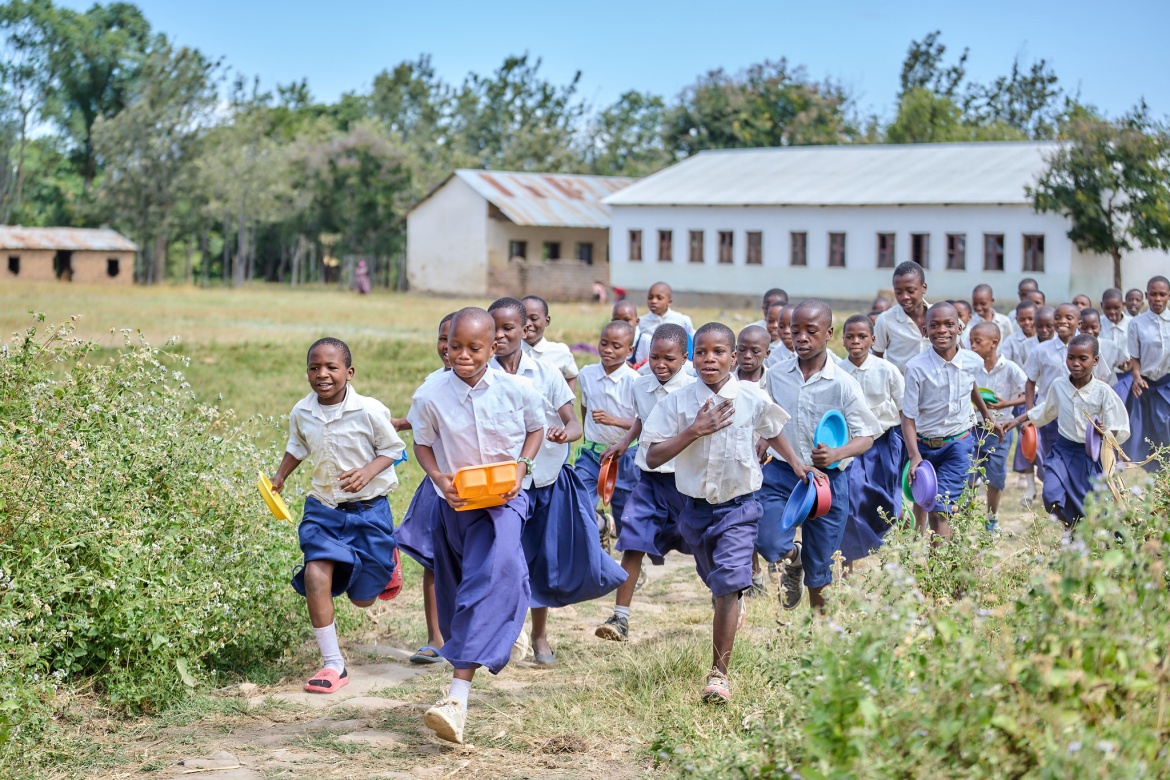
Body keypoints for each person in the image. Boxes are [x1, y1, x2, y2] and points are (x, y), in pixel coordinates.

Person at [642, 322, 808, 704]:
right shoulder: (678, 403)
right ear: (691, 357)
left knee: (728, 585)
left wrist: (797, 464)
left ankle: (718, 675)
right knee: (716, 583)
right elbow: (651, 455)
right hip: (696, 511)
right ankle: (732, 597)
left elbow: (773, 426)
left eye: (719, 352)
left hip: (741, 505)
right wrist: (694, 431)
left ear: (734, 358)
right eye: (701, 352)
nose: (709, 359)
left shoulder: (750, 396)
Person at [408, 308, 545, 745]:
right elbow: (423, 443)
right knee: (460, 589)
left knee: (487, 579)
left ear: (494, 347)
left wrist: (522, 468)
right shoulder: (430, 394)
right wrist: (437, 477)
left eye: (473, 348)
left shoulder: (518, 389)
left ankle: (456, 700)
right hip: (459, 503)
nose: (462, 356)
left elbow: (536, 429)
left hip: (505, 500)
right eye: (454, 346)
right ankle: (510, 618)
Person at [488, 298, 624, 667]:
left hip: (544, 480)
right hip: (497, 485)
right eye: (494, 328)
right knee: (506, 557)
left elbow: (574, 422)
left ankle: (539, 633)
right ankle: (507, 631)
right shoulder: (480, 373)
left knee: (542, 562)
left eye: (509, 328)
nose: (501, 335)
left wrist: (566, 433)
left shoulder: (545, 372)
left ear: (524, 330)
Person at [270, 338, 407, 694]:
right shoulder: (302, 411)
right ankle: (333, 665)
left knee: (363, 598)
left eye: (331, 367)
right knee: (316, 573)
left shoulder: (370, 410)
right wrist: (281, 475)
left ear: (349, 372)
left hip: (369, 510)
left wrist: (367, 471)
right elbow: (297, 446)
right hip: (323, 509)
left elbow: (393, 449)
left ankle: (387, 559)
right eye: (315, 367)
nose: (323, 374)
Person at [755, 302, 880, 608]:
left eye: (811, 331)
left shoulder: (843, 383)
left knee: (820, 563)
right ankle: (792, 558)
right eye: (794, 330)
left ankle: (818, 633)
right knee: (768, 541)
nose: (801, 338)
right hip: (784, 473)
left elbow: (867, 436)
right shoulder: (777, 375)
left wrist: (837, 452)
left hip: (827, 479)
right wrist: (763, 441)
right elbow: (770, 420)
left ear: (829, 334)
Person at [594, 325, 695, 642]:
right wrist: (625, 442)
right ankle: (620, 618)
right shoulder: (641, 386)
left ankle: (732, 596)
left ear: (684, 357)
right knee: (633, 540)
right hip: (649, 479)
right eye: (654, 357)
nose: (661, 364)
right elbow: (642, 418)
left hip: (687, 481)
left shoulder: (695, 386)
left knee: (701, 545)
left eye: (669, 358)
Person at [902, 303, 1003, 542]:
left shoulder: (972, 361)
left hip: (958, 444)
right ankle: (937, 549)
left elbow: (970, 386)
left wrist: (987, 416)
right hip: (924, 446)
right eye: (934, 325)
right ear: (925, 332)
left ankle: (940, 572)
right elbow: (908, 417)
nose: (942, 330)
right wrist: (915, 456)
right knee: (924, 500)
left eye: (948, 324)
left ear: (959, 327)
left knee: (941, 510)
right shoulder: (916, 368)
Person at [1012, 334, 1129, 526]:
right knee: (1051, 496)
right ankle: (1072, 527)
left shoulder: (1103, 391)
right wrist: (1019, 419)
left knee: (1100, 506)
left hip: (1092, 456)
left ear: (1095, 360)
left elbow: (1118, 425)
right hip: (1063, 453)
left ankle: (1093, 538)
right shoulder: (1059, 386)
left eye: (1083, 359)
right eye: (1071, 357)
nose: (1075, 363)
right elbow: (1045, 409)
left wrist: (1105, 431)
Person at [394, 314, 455, 665]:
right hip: (437, 483)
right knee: (433, 560)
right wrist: (397, 424)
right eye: (443, 339)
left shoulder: (494, 384)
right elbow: (420, 424)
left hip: (479, 486)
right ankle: (436, 637)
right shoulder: (431, 383)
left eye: (459, 341)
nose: (449, 348)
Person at [837, 314, 906, 564]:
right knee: (850, 498)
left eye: (862, 336)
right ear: (842, 340)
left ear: (873, 340)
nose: (856, 341)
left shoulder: (887, 370)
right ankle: (847, 561)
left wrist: (912, 449)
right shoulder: (837, 372)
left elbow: (903, 409)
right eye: (850, 337)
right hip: (850, 447)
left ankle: (886, 534)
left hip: (883, 444)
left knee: (884, 499)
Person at [575, 320, 641, 532]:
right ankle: (600, 529)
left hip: (625, 455)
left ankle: (628, 561)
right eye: (604, 343)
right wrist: (588, 438)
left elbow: (644, 422)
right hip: (593, 454)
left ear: (630, 350)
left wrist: (613, 420)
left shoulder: (635, 381)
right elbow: (585, 407)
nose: (608, 350)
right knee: (580, 502)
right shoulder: (587, 374)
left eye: (616, 345)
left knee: (626, 511)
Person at [967, 321, 1027, 531]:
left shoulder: (1010, 368)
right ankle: (962, 515)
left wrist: (1006, 404)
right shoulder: (971, 367)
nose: (972, 346)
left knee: (996, 477)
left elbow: (1029, 393)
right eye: (971, 341)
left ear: (993, 343)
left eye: (977, 342)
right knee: (968, 473)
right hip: (973, 429)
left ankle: (991, 518)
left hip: (1000, 430)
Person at [1025, 303, 1081, 479]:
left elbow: (1102, 379)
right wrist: (1029, 414)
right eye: (1057, 318)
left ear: (1079, 323)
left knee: (1077, 461)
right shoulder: (1041, 350)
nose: (1062, 322)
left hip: (1079, 415)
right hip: (1049, 415)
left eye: (1068, 318)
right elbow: (1030, 382)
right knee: (1050, 460)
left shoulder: (1089, 346)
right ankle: (1054, 496)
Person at [1124, 276, 1170, 469]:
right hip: (1146, 384)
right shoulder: (1137, 324)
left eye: (1162, 294)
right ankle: (1156, 471)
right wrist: (1136, 377)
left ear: (1169, 296)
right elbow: (1134, 357)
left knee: (1165, 425)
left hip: (1167, 383)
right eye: (1153, 294)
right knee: (1146, 431)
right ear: (1146, 296)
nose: (1157, 299)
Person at [873, 261, 930, 373]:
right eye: (898, 292)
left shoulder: (941, 316)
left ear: (923, 288)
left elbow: (961, 353)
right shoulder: (885, 320)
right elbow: (877, 360)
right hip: (901, 388)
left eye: (911, 291)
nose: (904, 297)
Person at [521, 295, 578, 391]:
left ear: (547, 321)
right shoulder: (510, 352)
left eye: (534, 318)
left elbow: (572, 375)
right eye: (523, 319)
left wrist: (569, 403)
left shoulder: (559, 352)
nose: (528, 323)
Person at [1078, 308, 1126, 387]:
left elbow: (1124, 364)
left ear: (1100, 327)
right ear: (1078, 327)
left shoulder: (1111, 346)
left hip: (1109, 389)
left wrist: (1125, 365)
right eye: (1084, 328)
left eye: (1093, 327)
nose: (1089, 331)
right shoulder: (1074, 348)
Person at [614, 299, 652, 366]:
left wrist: (634, 369)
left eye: (626, 320)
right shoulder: (610, 341)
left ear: (637, 321)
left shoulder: (646, 341)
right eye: (617, 320)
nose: (622, 324)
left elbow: (652, 367)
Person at [763, 302, 792, 368]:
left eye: (791, 325)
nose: (775, 325)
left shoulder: (807, 355)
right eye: (781, 326)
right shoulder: (770, 358)